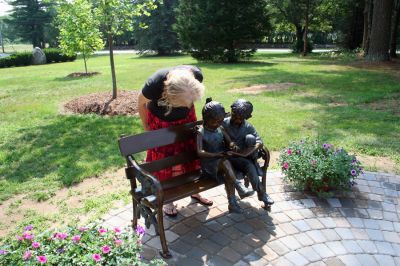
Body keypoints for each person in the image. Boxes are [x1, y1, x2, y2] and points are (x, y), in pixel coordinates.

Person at [138, 65, 213, 217]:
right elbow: (141, 103)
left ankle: (194, 189)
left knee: (191, 151)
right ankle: (167, 199)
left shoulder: (196, 75)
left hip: (186, 119)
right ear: (168, 94)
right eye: (182, 103)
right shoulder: (155, 84)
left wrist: (190, 111)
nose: (186, 105)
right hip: (161, 121)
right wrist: (146, 126)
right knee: (165, 158)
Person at [223, 99, 274, 207]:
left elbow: (259, 141)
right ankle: (260, 191)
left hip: (243, 157)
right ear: (231, 112)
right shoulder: (224, 123)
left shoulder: (248, 126)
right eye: (234, 116)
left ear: (246, 118)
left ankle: (262, 193)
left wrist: (251, 149)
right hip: (228, 158)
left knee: (250, 165)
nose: (236, 119)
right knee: (249, 165)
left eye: (240, 118)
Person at [196, 99, 242, 213]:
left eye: (220, 121)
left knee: (228, 173)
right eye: (214, 122)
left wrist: (232, 145)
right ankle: (239, 185)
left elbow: (229, 141)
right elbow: (200, 152)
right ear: (206, 119)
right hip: (209, 165)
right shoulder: (201, 132)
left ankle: (232, 204)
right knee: (225, 163)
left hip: (222, 161)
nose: (217, 124)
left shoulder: (219, 128)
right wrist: (215, 154)